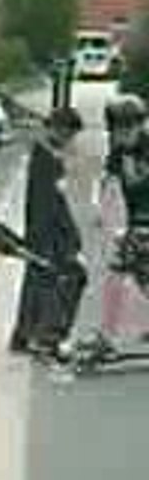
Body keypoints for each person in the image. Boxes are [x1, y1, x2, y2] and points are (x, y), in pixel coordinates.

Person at [10, 106, 86, 356]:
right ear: (59, 129)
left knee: (38, 281)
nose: (71, 141)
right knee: (57, 280)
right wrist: (70, 236)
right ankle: (44, 336)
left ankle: (26, 335)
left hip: (41, 231)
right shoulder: (47, 158)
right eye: (70, 135)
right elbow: (53, 203)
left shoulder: (44, 154)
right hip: (47, 233)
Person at [98, 94, 149, 352]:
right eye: (117, 128)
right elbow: (109, 180)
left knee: (119, 271)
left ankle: (107, 337)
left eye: (127, 128)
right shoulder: (118, 149)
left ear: (140, 125)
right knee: (142, 276)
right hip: (136, 220)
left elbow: (136, 181)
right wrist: (102, 209)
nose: (121, 134)